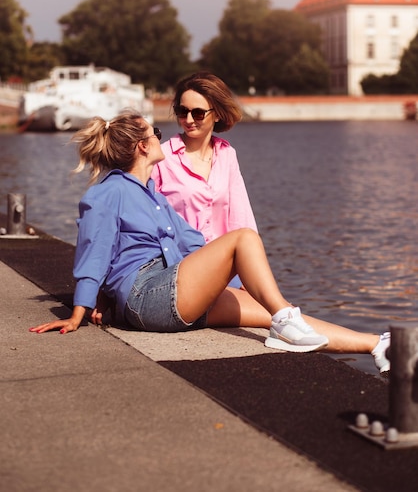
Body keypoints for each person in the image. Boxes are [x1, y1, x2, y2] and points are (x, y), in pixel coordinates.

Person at [30, 110, 390, 373]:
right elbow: (94, 252)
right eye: (154, 132)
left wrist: (236, 284)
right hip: (146, 295)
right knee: (243, 239)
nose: (161, 136)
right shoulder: (107, 194)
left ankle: (376, 344)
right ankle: (285, 322)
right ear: (143, 146)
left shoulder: (153, 194)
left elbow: (194, 243)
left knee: (270, 307)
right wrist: (80, 309)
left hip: (172, 287)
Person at [151, 71, 256, 288]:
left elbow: (241, 219)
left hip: (224, 269)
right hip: (179, 270)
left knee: (272, 307)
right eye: (182, 111)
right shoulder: (162, 158)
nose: (188, 120)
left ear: (217, 114)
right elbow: (143, 219)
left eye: (198, 113)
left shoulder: (227, 155)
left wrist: (250, 271)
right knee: (269, 312)